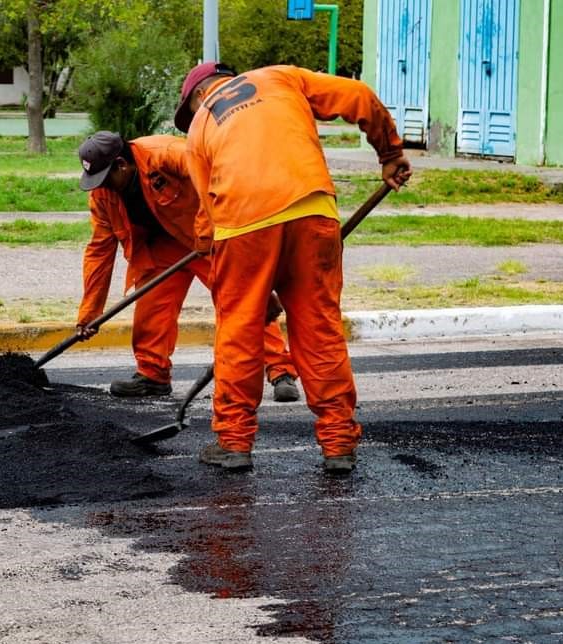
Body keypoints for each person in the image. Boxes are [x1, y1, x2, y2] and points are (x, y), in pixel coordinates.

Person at [174, 62, 412, 474]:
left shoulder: (199, 129)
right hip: (311, 209)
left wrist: (248, 293)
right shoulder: (279, 77)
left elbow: (207, 222)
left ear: (198, 96)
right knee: (319, 328)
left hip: (241, 225)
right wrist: (389, 154)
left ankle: (234, 442)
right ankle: (338, 443)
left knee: (239, 332)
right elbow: (358, 95)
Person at [75, 131, 300, 401]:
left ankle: (280, 370)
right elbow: (99, 251)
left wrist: (206, 236)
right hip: (160, 246)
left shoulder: (169, 154)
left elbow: (216, 183)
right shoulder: (102, 194)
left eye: (104, 178)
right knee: (151, 307)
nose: (101, 187)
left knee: (243, 301)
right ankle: (152, 374)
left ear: (122, 165)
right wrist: (89, 314)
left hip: (207, 238)